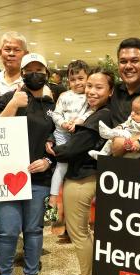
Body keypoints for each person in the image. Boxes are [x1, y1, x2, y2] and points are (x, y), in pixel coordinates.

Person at [0, 53, 55, 275]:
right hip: (7, 177)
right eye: (29, 69)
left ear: (47, 74)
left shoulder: (53, 106)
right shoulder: (8, 98)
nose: (34, 73)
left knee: (33, 229)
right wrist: (13, 104)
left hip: (38, 178)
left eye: (40, 69)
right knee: (7, 230)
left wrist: (49, 161)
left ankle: (31, 273)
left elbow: (59, 141)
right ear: (22, 73)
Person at [49, 68, 114, 275]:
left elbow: (75, 147)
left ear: (111, 90)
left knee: (79, 232)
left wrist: (53, 150)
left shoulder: (102, 115)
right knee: (82, 231)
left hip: (83, 178)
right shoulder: (93, 111)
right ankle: (87, 273)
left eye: (99, 87)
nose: (92, 91)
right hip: (83, 175)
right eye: (89, 86)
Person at [49, 60, 91, 208]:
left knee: (77, 166)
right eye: (73, 80)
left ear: (88, 78)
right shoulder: (64, 96)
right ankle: (53, 200)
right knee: (62, 166)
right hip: (62, 133)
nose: (77, 83)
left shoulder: (90, 95)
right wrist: (63, 123)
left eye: (81, 78)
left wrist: (79, 121)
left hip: (78, 135)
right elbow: (56, 114)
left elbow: (90, 112)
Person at [89, 92, 140, 160]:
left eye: (137, 113)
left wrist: (139, 142)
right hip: (124, 142)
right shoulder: (133, 117)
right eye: (132, 110)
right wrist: (121, 126)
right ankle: (102, 154)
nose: (132, 114)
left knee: (123, 133)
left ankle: (108, 133)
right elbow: (127, 123)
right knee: (111, 140)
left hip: (134, 150)